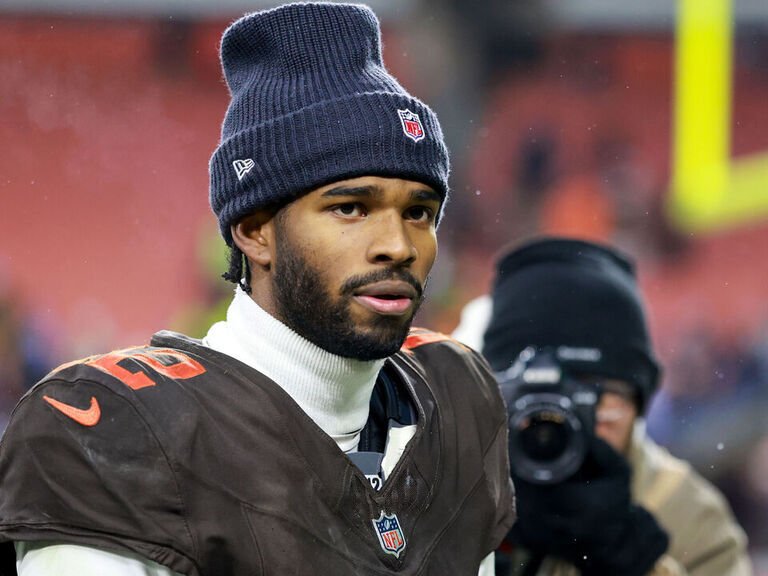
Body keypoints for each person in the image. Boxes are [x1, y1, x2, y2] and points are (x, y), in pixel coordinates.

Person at [0, 4, 516, 575]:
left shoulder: (457, 393)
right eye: (350, 207)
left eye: (419, 212)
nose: (397, 245)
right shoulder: (120, 426)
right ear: (253, 230)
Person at [453, 236, 752, 576]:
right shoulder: (439, 489)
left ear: (637, 405)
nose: (556, 425)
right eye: (536, 398)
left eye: (594, 395)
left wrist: (630, 560)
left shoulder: (687, 517)